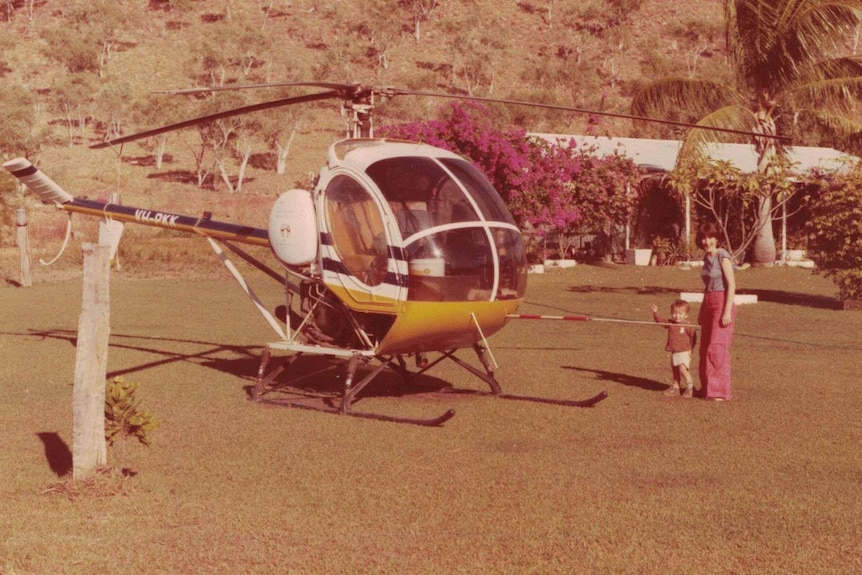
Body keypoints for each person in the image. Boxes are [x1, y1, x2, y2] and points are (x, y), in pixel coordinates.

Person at [697, 222, 737, 401]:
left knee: (717, 347)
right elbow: (707, 287)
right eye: (704, 238)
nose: (707, 241)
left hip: (722, 302)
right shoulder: (707, 259)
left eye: (710, 237)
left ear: (716, 238)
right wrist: (701, 310)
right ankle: (706, 388)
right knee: (704, 347)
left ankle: (719, 392)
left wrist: (727, 311)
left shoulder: (723, 256)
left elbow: (731, 284)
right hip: (709, 303)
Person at [650, 299, 697, 397]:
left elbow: (693, 337)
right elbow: (661, 321)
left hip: (683, 352)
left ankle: (690, 388)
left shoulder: (688, 326)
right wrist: (656, 313)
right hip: (674, 351)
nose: (677, 315)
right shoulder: (671, 323)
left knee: (682, 369)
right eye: (675, 313)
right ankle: (676, 387)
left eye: (680, 313)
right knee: (675, 370)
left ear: (686, 315)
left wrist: (690, 349)